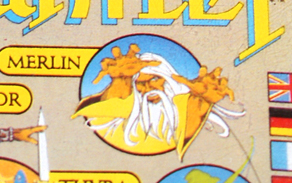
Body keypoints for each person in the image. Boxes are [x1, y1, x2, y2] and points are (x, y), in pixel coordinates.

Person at [71, 42, 240, 158]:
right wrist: (120, 82)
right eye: (140, 84)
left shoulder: (184, 112)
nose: (148, 89)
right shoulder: (117, 115)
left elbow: (187, 122)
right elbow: (109, 107)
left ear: (169, 82)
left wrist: (202, 100)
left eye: (154, 80)